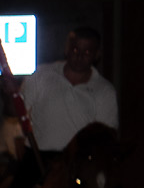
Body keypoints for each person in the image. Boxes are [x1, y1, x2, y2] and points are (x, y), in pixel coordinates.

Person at [19, 25, 118, 157]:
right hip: (37, 158)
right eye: (75, 50)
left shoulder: (105, 91)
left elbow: (106, 135)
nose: (80, 56)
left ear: (97, 54)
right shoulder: (40, 75)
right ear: (67, 50)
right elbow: (17, 112)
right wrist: (10, 94)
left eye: (87, 52)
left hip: (78, 162)